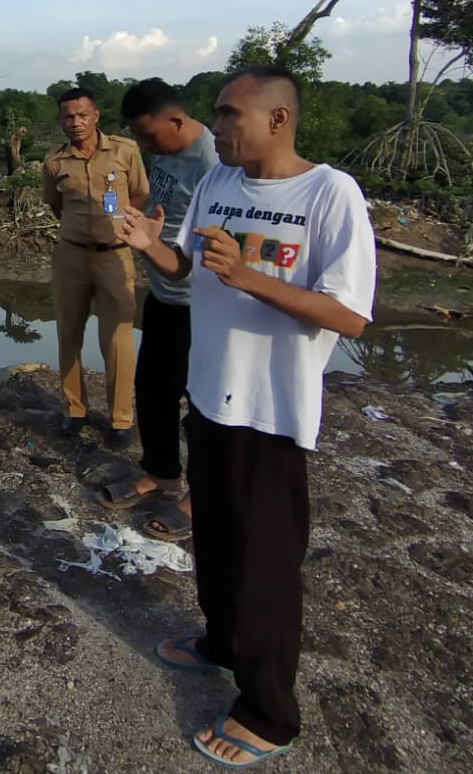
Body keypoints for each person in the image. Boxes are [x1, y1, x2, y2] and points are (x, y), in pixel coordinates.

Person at [117, 66, 375, 766]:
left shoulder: (329, 194)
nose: (220, 127)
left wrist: (250, 277)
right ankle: (221, 643)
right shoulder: (217, 184)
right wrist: (153, 249)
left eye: (231, 115)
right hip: (209, 395)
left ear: (279, 119)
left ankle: (269, 712)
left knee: (266, 565)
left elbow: (349, 315)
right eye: (218, 116)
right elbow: (189, 269)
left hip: (273, 410)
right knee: (220, 542)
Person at [100, 78, 219, 537]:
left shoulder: (214, 163)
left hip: (201, 301)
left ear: (177, 119)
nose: (145, 145)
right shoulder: (163, 151)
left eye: (149, 135)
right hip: (166, 291)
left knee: (203, 402)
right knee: (152, 387)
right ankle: (163, 472)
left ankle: (199, 496)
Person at [41, 87, 149, 448]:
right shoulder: (55, 162)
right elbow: (56, 206)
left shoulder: (125, 151)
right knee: (69, 333)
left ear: (96, 116)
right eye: (68, 117)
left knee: (118, 338)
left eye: (82, 115)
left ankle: (121, 419)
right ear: (61, 121)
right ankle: (74, 410)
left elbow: (138, 194)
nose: (76, 123)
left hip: (115, 254)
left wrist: (116, 225)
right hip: (71, 255)